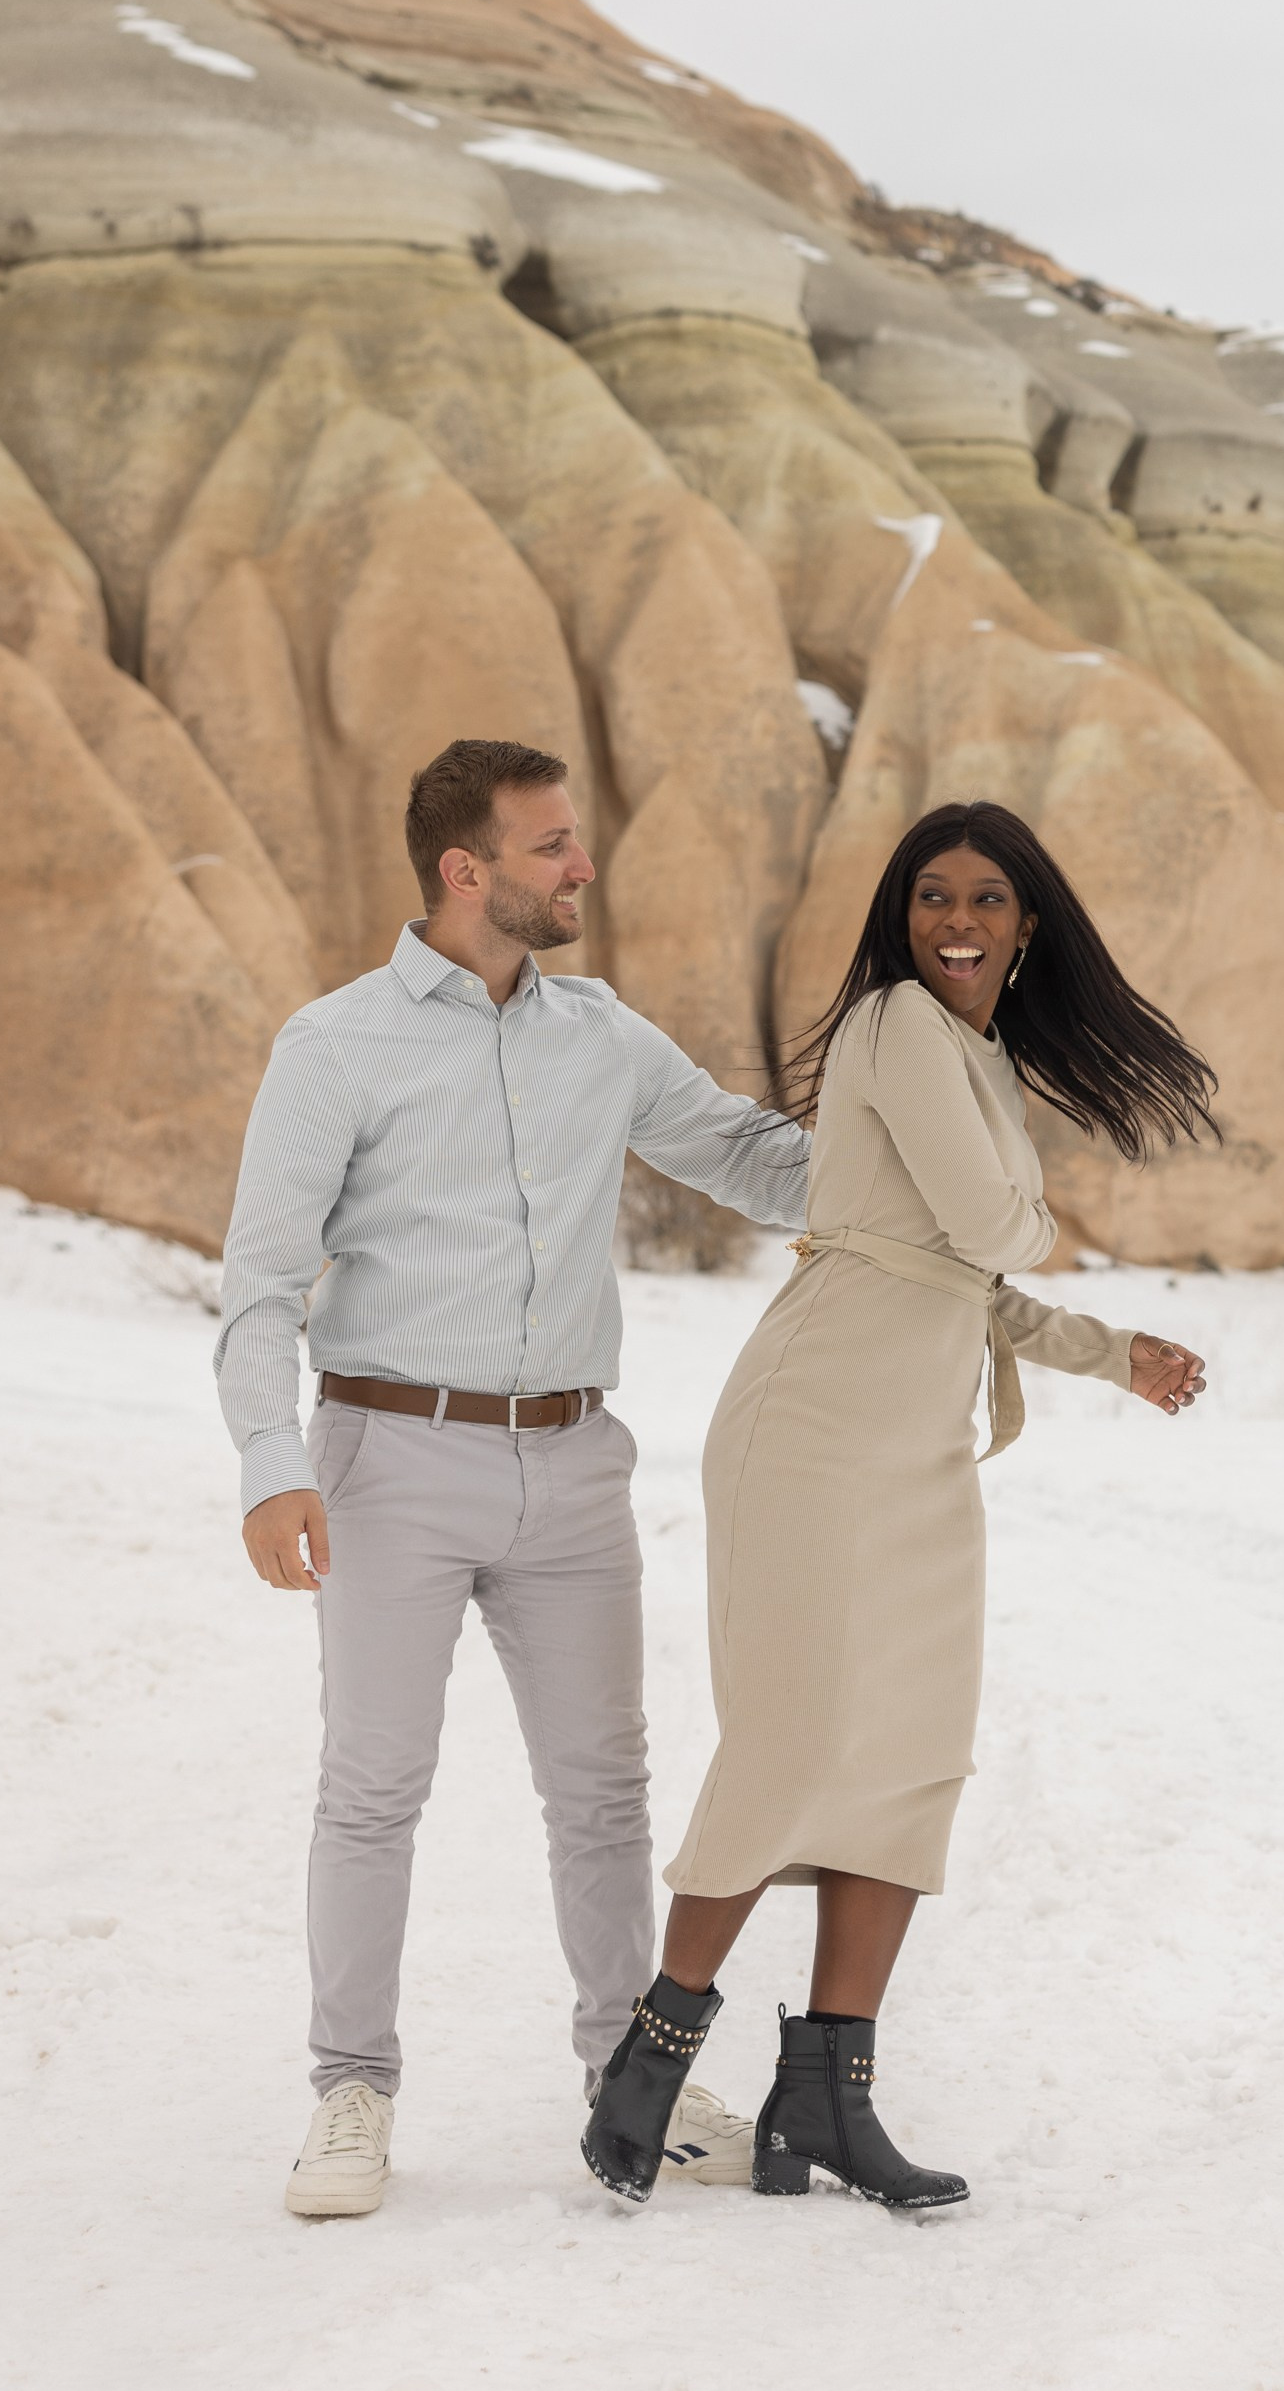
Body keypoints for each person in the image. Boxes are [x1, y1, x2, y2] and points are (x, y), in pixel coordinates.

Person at [584, 799, 1214, 2214]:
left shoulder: (980, 1060)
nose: (956, 925)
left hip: (918, 1444)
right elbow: (992, 1232)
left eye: (987, 901)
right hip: (810, 1427)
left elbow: (969, 1279)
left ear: (1026, 927)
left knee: (912, 1760)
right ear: (901, 919)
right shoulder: (891, 1029)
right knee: (793, 1739)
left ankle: (824, 2100)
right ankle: (652, 2055)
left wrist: (1116, 1355)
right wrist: (1037, 1221)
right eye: (932, 899)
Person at [216, 736, 810, 2221]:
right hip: (386, 1459)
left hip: (572, 1462)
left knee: (605, 1793)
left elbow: (746, 1159)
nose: (580, 867)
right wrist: (269, 1464)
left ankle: (634, 2083)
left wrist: (927, 1127)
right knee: (371, 1791)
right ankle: (349, 2095)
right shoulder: (335, 1044)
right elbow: (258, 1286)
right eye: (550, 847)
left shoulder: (599, 1036)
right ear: (463, 869)